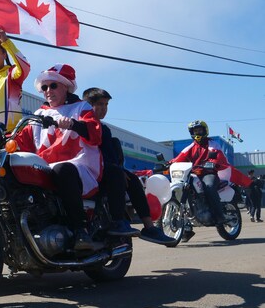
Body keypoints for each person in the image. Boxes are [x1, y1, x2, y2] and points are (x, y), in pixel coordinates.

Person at [14, 64, 101, 251]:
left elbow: (95, 133)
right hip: (45, 165)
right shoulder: (39, 114)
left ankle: (80, 230)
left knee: (62, 169)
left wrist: (74, 125)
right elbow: (22, 140)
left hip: (78, 162)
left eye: (53, 86)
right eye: (44, 87)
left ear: (66, 86)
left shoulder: (81, 107)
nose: (47, 91)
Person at [82, 88, 175, 244]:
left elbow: (109, 153)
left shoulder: (104, 128)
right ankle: (119, 221)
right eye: (99, 104)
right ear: (87, 106)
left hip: (105, 169)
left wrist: (117, 169)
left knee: (132, 179)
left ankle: (149, 227)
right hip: (89, 169)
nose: (104, 108)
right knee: (121, 175)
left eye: (106, 104)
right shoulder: (82, 125)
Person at [170, 120, 252, 232]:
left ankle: (219, 216)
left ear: (205, 131)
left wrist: (212, 162)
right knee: (186, 188)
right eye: (195, 131)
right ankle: (187, 222)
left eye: (199, 130)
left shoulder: (212, 143)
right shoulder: (191, 147)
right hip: (194, 174)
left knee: (209, 186)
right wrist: (170, 162)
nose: (197, 133)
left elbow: (217, 155)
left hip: (208, 173)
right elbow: (180, 157)